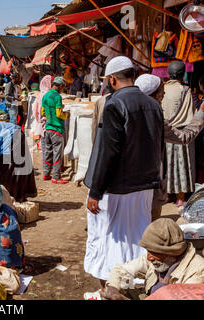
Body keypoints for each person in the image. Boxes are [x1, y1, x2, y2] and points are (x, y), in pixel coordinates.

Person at [83, 56, 164, 298]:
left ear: (112, 79)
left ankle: (110, 288)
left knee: (109, 239)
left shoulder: (114, 104)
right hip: (144, 186)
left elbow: (108, 152)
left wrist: (95, 191)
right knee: (137, 235)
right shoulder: (153, 105)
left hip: (115, 188)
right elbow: (159, 148)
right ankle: (136, 285)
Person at [135, 73, 204, 221]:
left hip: (130, 186)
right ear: (153, 94)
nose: (164, 92)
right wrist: (201, 114)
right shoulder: (155, 116)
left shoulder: (125, 110)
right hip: (150, 183)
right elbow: (184, 137)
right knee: (150, 227)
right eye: (161, 90)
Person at [102, 218, 204, 300]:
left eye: (154, 252)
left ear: (171, 252)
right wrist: (113, 289)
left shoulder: (198, 270)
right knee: (120, 287)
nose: (149, 257)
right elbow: (122, 270)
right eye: (148, 251)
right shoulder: (155, 259)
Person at [161, 61, 199, 207]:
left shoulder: (162, 89)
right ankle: (181, 198)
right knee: (182, 165)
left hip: (166, 133)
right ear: (182, 74)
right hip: (182, 134)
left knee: (167, 164)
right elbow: (192, 114)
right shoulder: (186, 91)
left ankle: (168, 194)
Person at [41, 77, 70, 184]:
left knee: (48, 152)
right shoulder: (57, 97)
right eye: (63, 87)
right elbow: (59, 114)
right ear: (59, 86)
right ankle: (56, 177)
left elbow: (43, 112)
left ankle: (46, 174)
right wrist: (66, 114)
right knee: (57, 153)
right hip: (57, 129)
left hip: (48, 128)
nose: (63, 89)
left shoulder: (45, 95)